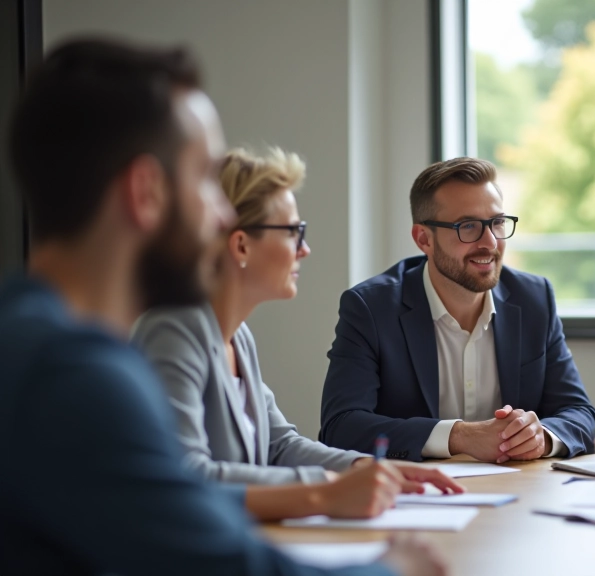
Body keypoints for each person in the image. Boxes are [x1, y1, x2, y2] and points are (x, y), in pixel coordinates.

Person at [0, 38, 442, 576]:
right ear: (146, 192)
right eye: (206, 178)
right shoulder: (74, 376)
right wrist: (398, 569)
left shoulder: (31, 340)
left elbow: (186, 508)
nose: (219, 215)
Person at [131, 147, 462, 507]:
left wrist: (371, 467)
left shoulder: (237, 336)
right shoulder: (173, 332)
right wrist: (327, 490)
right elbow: (188, 475)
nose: (304, 249)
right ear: (241, 245)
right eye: (293, 231)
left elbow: (280, 445)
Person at [319, 157, 595, 462]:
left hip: (516, 491)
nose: (490, 242)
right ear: (423, 239)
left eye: (497, 223)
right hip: (414, 495)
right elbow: (340, 426)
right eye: (468, 226)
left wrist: (540, 437)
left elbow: (580, 414)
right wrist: (460, 436)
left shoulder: (534, 299)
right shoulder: (371, 308)